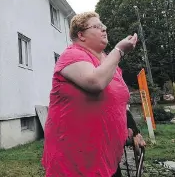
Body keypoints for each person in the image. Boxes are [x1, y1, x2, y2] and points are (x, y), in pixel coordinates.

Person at [42, 11, 145, 177]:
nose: (104, 29)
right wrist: (119, 50)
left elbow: (117, 101)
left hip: (105, 155)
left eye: (103, 26)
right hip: (76, 159)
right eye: (97, 27)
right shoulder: (72, 55)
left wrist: (134, 129)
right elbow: (95, 82)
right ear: (81, 35)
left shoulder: (107, 62)